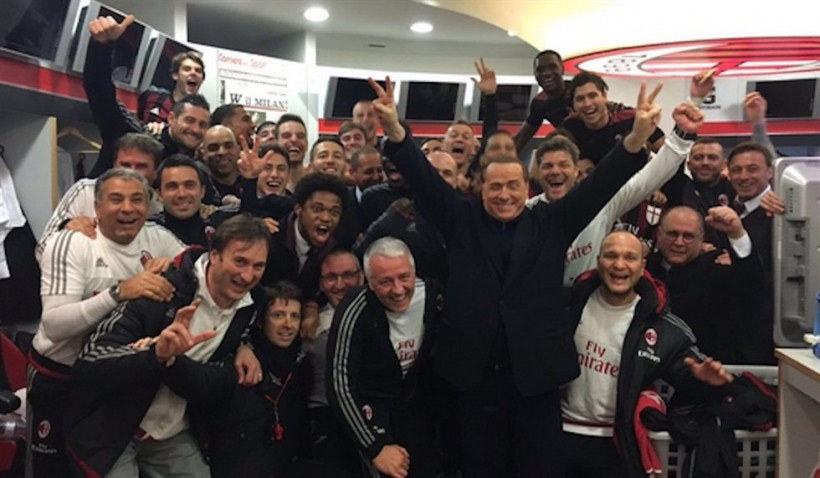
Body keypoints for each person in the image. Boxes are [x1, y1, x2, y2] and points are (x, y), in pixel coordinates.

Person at [369, 76, 661, 477]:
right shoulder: (460, 219)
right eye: (495, 187)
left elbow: (601, 184)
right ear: (481, 188)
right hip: (472, 375)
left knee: (537, 468)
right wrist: (395, 129)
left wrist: (636, 138)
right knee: (478, 467)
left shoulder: (553, 222)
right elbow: (424, 178)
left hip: (536, 377)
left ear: (527, 188)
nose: (504, 195)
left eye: (512, 186)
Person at [65, 214, 271, 478]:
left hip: (174, 433)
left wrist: (245, 344)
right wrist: (154, 354)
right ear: (215, 255)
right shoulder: (162, 288)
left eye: (258, 266)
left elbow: (216, 382)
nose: (247, 275)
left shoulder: (252, 304)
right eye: (240, 261)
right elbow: (90, 360)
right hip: (112, 428)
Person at [28, 168, 185, 477]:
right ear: (97, 208)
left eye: (137, 200)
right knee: (52, 471)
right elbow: (55, 325)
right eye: (116, 199)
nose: (127, 208)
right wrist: (119, 292)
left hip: (115, 379)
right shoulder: (71, 243)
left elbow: (203, 270)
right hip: (60, 376)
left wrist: (175, 267)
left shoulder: (159, 239)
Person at [563, 230, 733, 477]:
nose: (619, 265)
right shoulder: (566, 308)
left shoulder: (663, 327)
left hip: (618, 443)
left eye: (629, 257)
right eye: (611, 256)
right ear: (598, 262)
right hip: (560, 434)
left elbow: (691, 382)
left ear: (642, 266)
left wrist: (707, 381)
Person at [162, 281, 330, 478]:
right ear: (261, 321)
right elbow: (200, 382)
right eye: (278, 315)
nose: (288, 324)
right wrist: (168, 357)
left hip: (283, 467)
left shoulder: (301, 367)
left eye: (295, 316)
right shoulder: (240, 361)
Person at [327, 237, 442, 478]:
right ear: (369, 283)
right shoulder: (354, 309)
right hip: (372, 405)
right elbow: (339, 385)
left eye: (404, 277)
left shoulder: (434, 295)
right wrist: (374, 448)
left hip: (419, 405)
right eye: (385, 282)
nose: (398, 290)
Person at [83, 15, 211, 177]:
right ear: (171, 119)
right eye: (189, 120)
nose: (196, 129)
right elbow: (101, 94)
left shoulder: (198, 165)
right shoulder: (138, 136)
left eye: (202, 124)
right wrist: (101, 46)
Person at [647, 206, 768, 363]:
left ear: (701, 239)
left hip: (705, 367)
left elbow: (752, 284)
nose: (679, 242)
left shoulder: (716, 267)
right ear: (659, 234)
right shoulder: (643, 269)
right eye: (672, 234)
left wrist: (736, 234)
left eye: (688, 236)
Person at [37, 133, 165, 259]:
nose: (131, 172)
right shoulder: (85, 191)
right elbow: (43, 248)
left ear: (156, 172)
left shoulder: (161, 206)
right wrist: (65, 229)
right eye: (125, 165)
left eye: (141, 166)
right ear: (114, 166)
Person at [303, 250, 364, 475]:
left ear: (362, 276)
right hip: (326, 418)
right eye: (331, 277)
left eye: (347, 275)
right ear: (321, 283)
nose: (339, 284)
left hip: (373, 411)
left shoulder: (381, 312)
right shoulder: (309, 326)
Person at [563, 71, 665, 164]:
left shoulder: (631, 118)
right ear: (574, 104)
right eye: (580, 99)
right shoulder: (570, 128)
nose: (587, 104)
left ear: (604, 96)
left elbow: (666, 153)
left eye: (592, 95)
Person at [513, 50, 571, 152]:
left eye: (552, 67)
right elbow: (521, 138)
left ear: (562, 69)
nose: (546, 73)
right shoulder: (539, 103)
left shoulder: (577, 91)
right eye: (540, 69)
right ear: (535, 74)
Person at [150, 154, 211, 247]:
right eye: (172, 186)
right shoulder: (146, 234)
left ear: (202, 191)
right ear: (159, 194)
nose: (182, 194)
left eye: (189, 185)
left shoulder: (219, 232)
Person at [138, 51, 205, 125]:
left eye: (198, 71)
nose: (193, 73)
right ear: (175, 75)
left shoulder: (200, 114)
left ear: (202, 80)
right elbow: (137, 121)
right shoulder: (152, 96)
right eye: (187, 69)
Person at [202, 125, 243, 201]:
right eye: (213, 148)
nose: (222, 152)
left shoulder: (253, 184)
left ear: (238, 149)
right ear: (203, 153)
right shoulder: (200, 191)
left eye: (229, 146)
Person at [275, 114, 309, 191]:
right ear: (276, 142)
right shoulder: (265, 184)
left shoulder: (315, 186)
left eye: (300, 136)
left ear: (307, 144)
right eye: (286, 136)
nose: (294, 140)